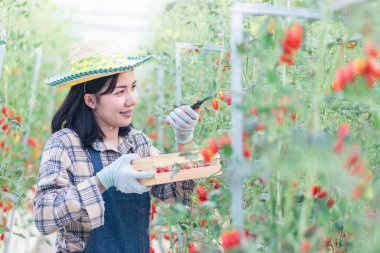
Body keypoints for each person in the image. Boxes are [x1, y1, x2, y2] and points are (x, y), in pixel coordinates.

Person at [33, 40, 199, 253]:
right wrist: (103, 180)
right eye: (120, 92)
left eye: (133, 87)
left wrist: (184, 142)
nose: (132, 100)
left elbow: (180, 199)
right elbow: (43, 217)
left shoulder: (138, 143)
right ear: (91, 100)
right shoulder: (65, 145)